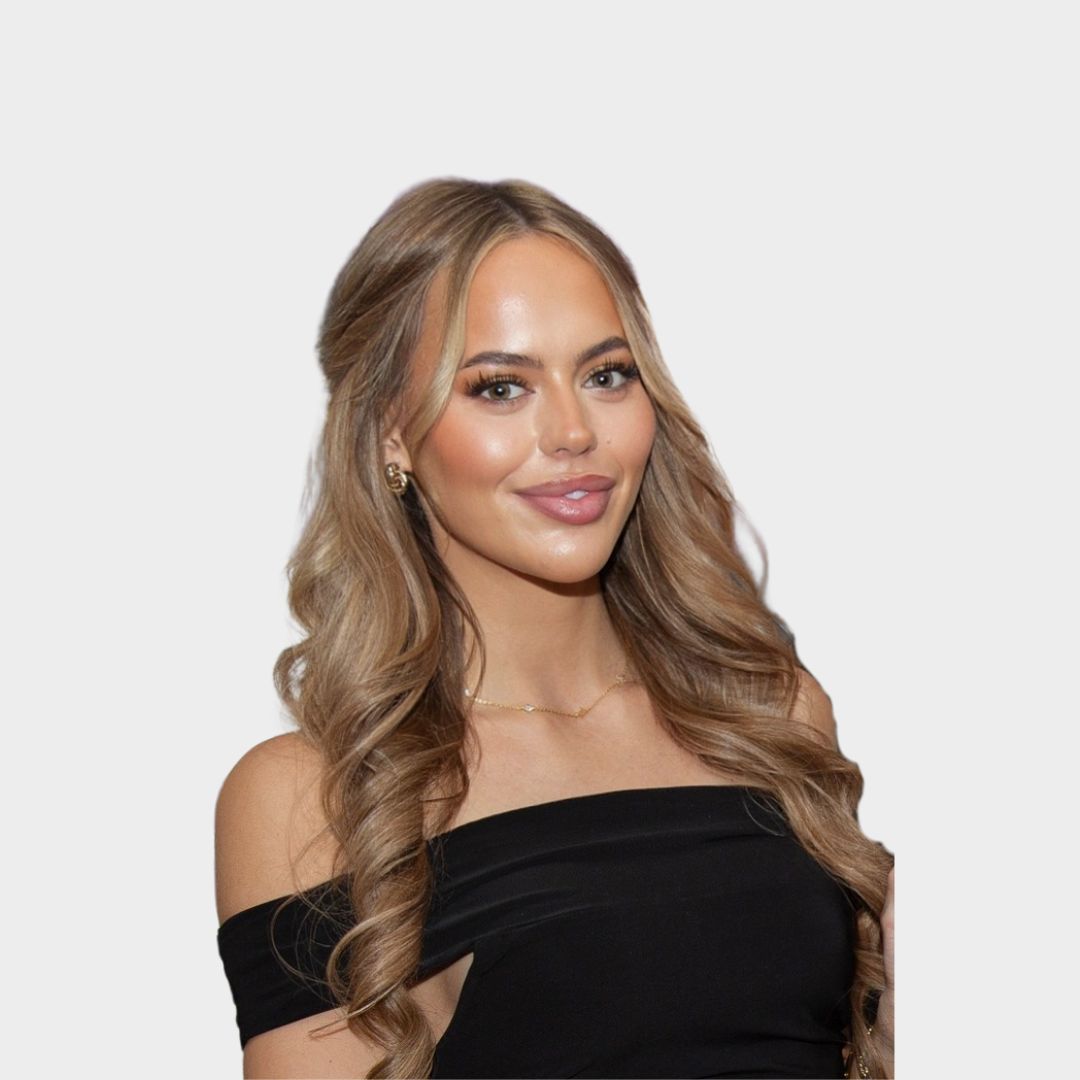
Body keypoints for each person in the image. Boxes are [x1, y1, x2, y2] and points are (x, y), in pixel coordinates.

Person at [214, 177, 895, 1079]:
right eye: (500, 387)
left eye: (607, 375)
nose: (573, 431)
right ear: (389, 434)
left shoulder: (772, 713)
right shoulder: (313, 797)